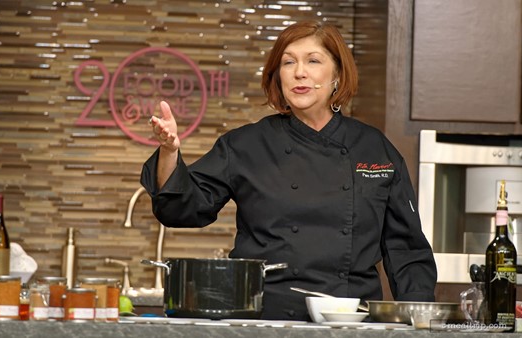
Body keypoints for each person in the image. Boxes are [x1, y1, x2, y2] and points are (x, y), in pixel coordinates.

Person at [141, 20, 437, 321]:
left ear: (337, 74)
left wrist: (418, 321)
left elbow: (407, 251)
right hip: (265, 320)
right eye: (287, 62)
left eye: (313, 60)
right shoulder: (246, 145)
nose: (299, 72)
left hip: (350, 322)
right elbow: (180, 209)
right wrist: (169, 151)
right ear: (277, 75)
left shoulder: (375, 149)